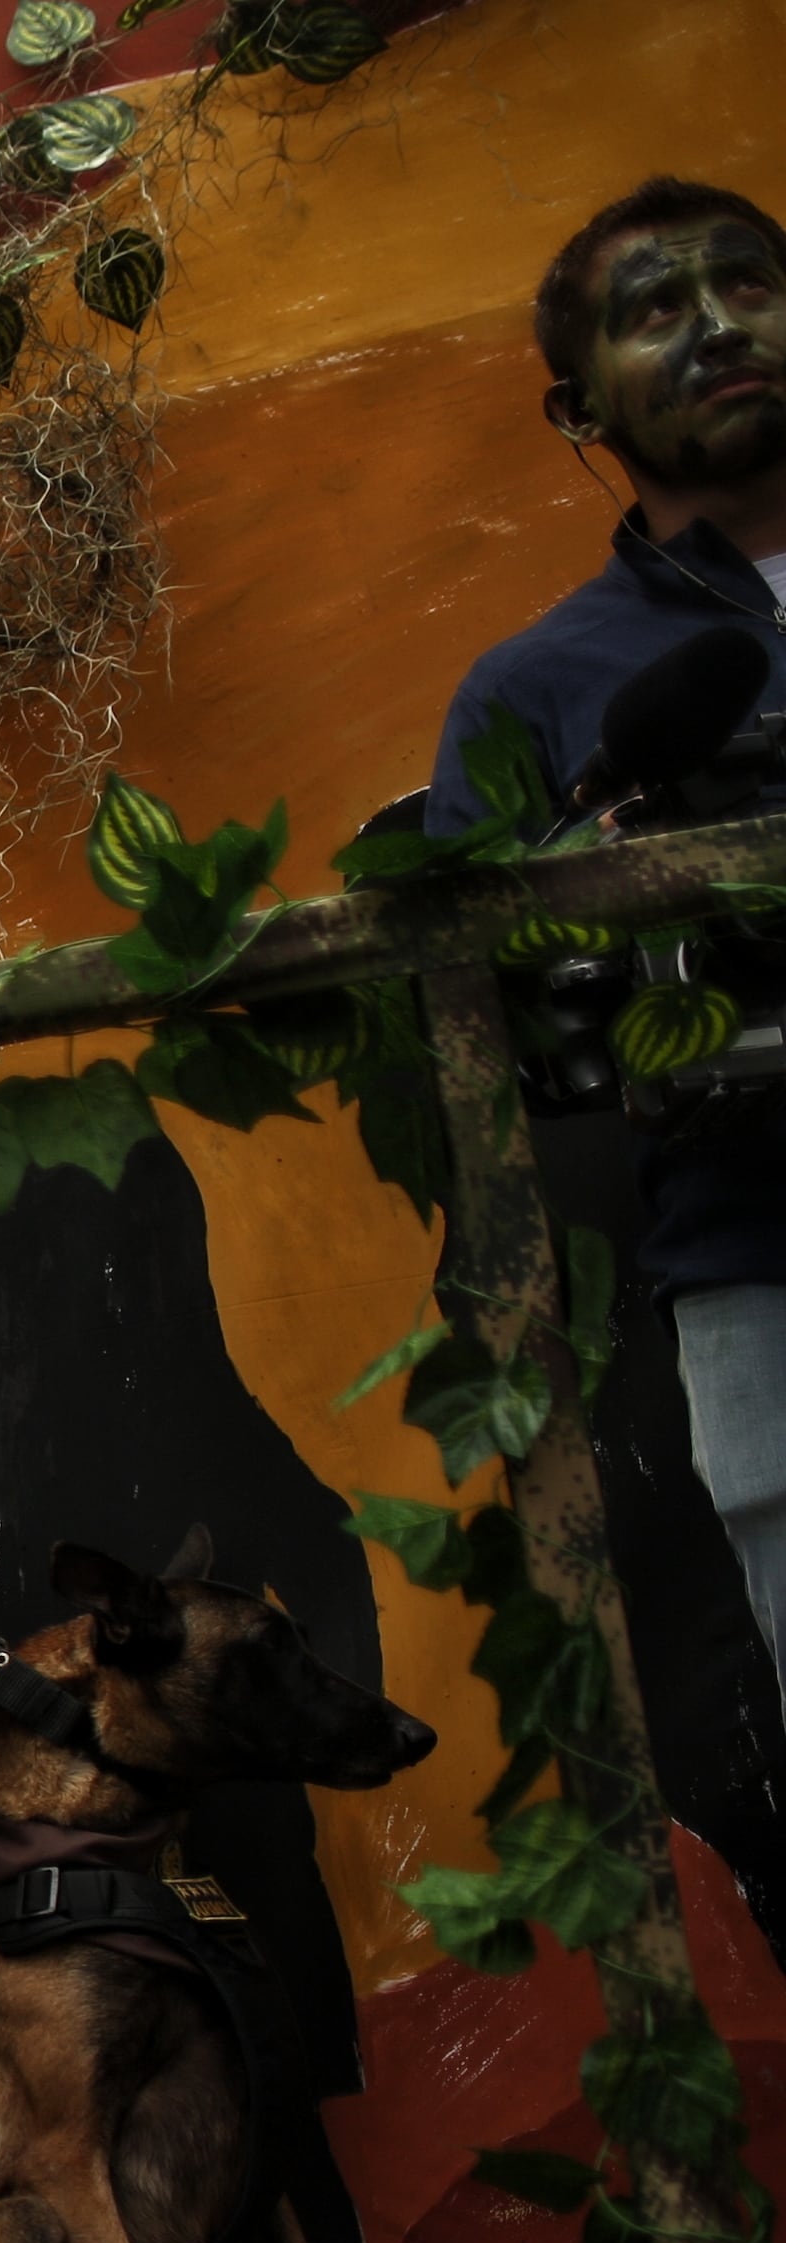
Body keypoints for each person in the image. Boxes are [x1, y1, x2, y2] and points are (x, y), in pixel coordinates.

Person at [429, 178, 786, 1671]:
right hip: (767, 1258)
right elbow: (481, 1030)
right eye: (656, 308)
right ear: (579, 409)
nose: (715, 326)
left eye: (749, 285)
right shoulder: (535, 693)